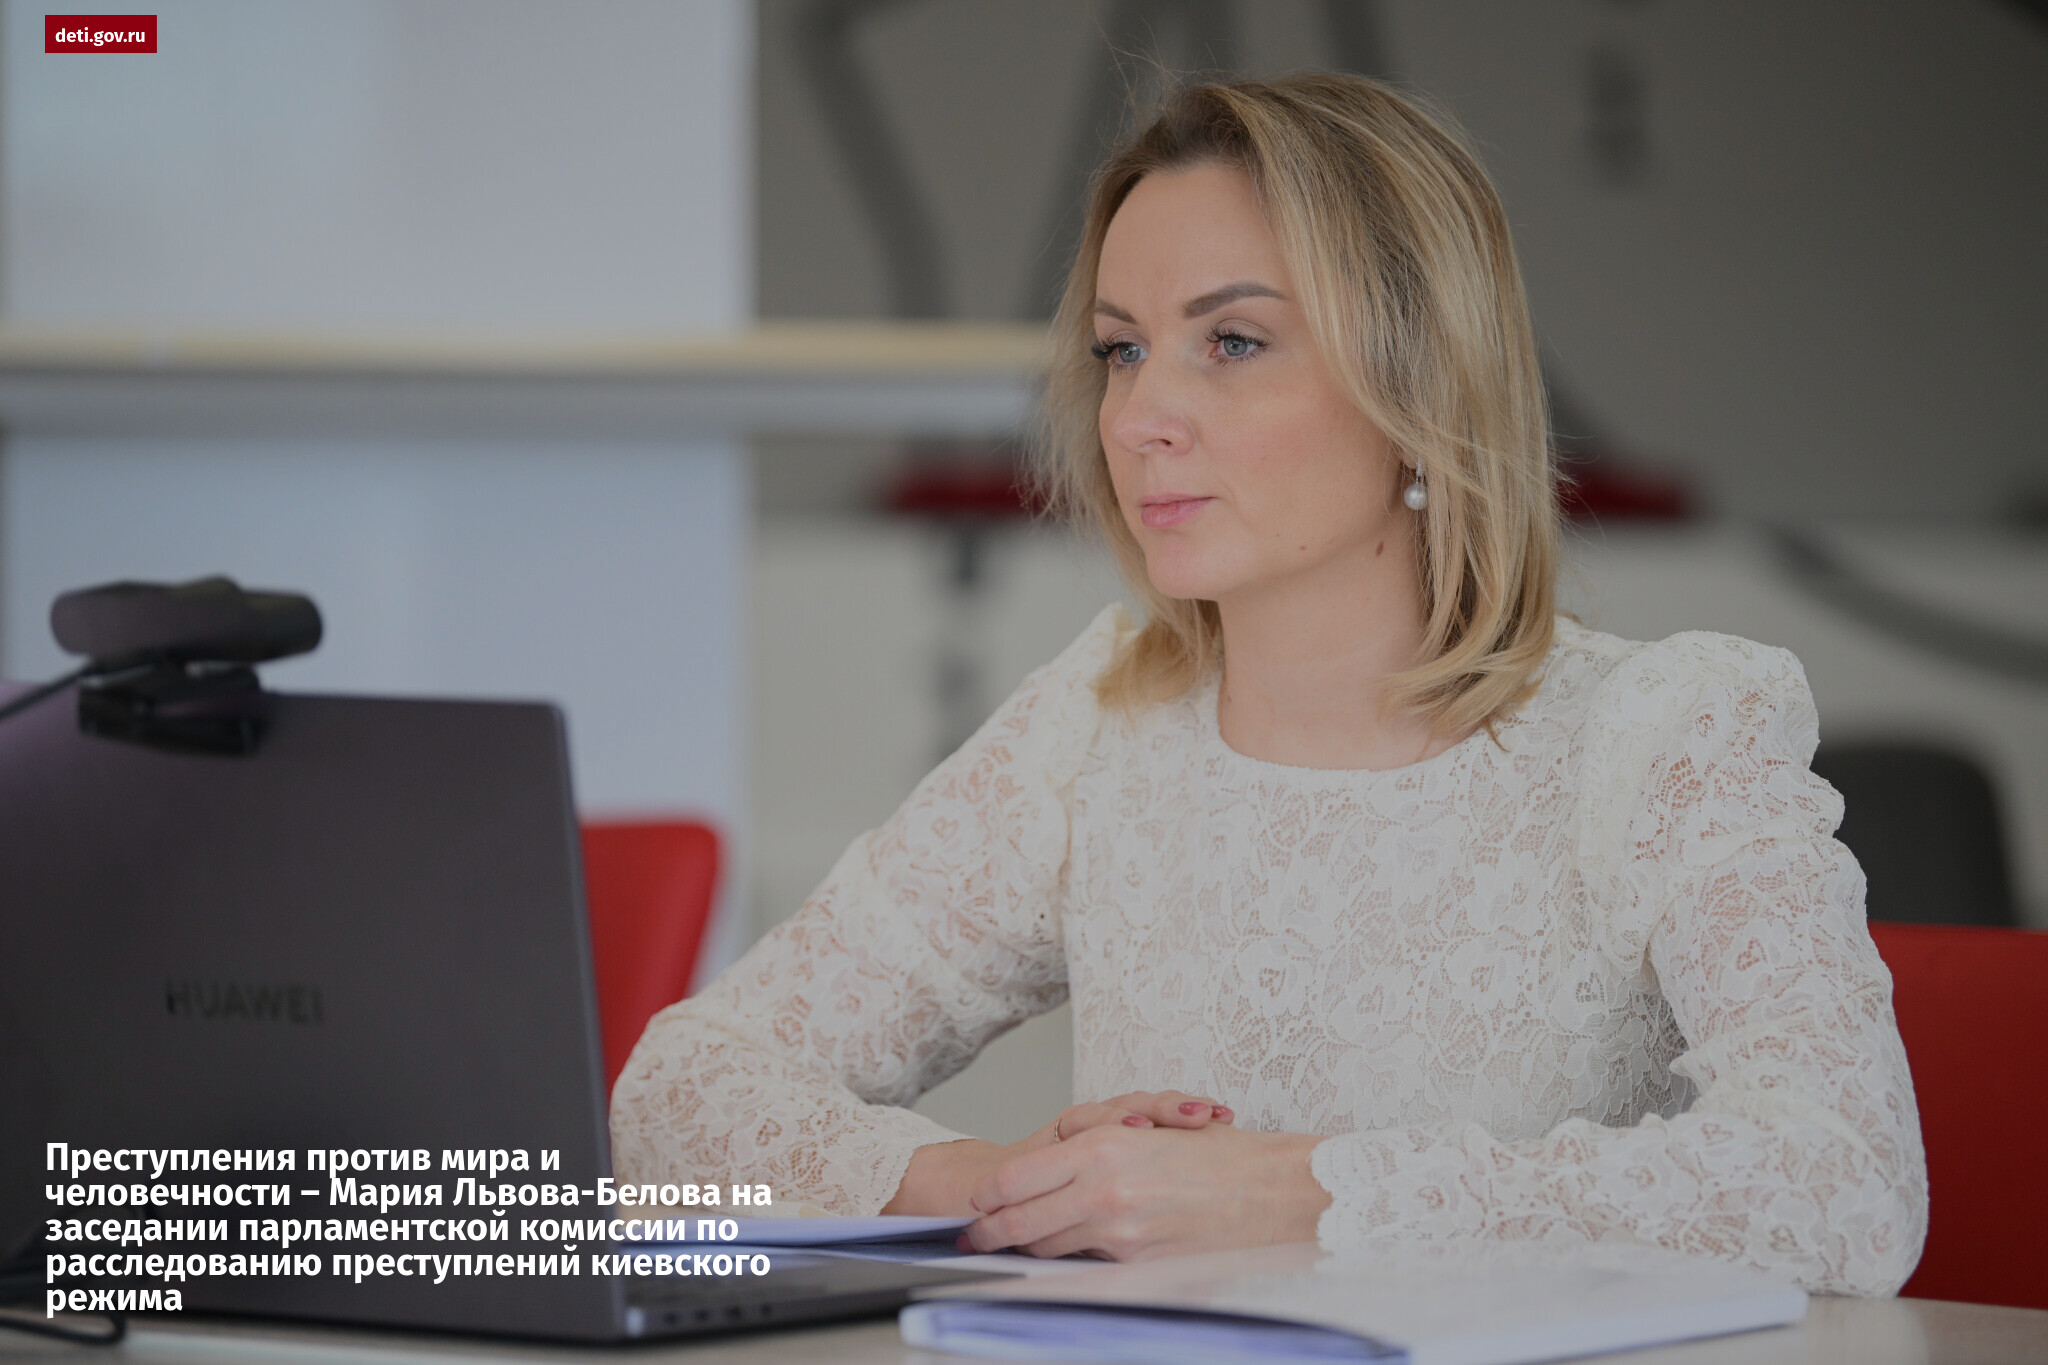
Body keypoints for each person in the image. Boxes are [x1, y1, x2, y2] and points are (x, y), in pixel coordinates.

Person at [610, 72, 1926, 1296]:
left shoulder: (1665, 736)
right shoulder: (1094, 729)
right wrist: (1001, 1187)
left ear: (1421, 380)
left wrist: (1296, 1194)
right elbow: (678, 1090)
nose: (1138, 418)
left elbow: (1847, 1185)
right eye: (1122, 350)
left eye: (1233, 341)